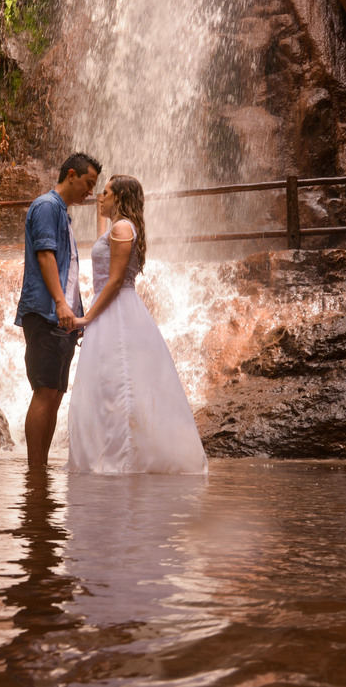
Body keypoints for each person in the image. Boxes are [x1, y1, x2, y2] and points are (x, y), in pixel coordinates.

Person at [66, 175, 208, 474]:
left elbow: (116, 280)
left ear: (119, 197)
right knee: (111, 383)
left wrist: (87, 318)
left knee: (119, 384)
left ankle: (122, 460)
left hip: (115, 310)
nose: (100, 196)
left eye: (106, 192)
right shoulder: (120, 227)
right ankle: (119, 456)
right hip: (113, 308)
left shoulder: (121, 228)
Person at [16, 152, 102, 468]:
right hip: (46, 312)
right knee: (44, 391)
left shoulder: (62, 213)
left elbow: (69, 270)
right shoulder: (46, 206)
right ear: (71, 175)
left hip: (63, 317)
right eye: (88, 183)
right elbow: (45, 256)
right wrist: (61, 303)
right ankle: (34, 470)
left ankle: (41, 467)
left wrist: (76, 315)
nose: (91, 191)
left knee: (55, 394)